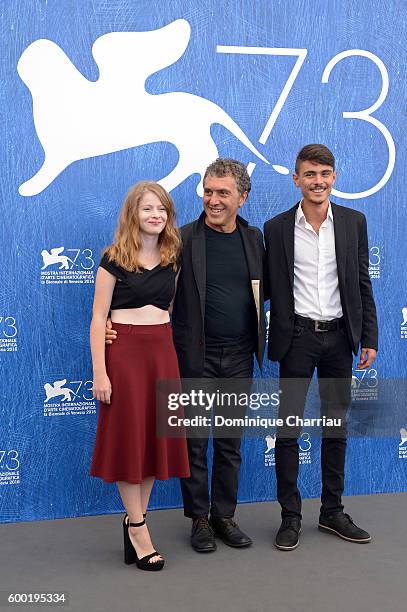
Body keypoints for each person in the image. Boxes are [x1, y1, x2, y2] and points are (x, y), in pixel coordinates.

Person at [106, 159, 266, 553]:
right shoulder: (182, 238)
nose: (212, 200)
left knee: (229, 441)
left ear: (242, 198)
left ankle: (224, 516)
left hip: (241, 355)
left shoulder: (255, 239)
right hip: (192, 356)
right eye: (208, 191)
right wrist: (116, 324)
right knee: (193, 442)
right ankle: (198, 519)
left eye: (222, 193)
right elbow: (145, 285)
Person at [263, 144, 378, 550]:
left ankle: (332, 511)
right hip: (296, 339)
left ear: (334, 177)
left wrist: (369, 336)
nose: (317, 181)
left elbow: (362, 282)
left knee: (336, 428)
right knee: (288, 430)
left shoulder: (353, 222)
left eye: (324, 173)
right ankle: (290, 517)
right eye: (309, 174)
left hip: (339, 339)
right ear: (296, 179)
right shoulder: (275, 228)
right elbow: (262, 287)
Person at [89, 181, 190, 571]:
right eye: (148, 209)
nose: (156, 215)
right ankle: (139, 528)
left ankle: (135, 521)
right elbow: (99, 318)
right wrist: (100, 371)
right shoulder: (114, 258)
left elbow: (173, 309)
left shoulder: (173, 257)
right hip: (125, 355)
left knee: (153, 441)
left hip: (162, 353)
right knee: (130, 440)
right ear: (133, 213)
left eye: (162, 209)